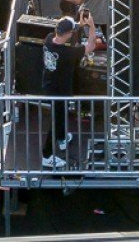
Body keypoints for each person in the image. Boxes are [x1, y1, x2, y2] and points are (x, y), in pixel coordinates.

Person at [38, 16, 81, 168]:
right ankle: (47, 155)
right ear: (68, 34)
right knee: (56, 121)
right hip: (59, 90)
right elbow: (89, 46)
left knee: (61, 113)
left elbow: (64, 35)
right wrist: (92, 26)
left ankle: (62, 138)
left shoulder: (49, 39)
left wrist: (78, 25)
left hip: (50, 86)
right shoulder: (67, 53)